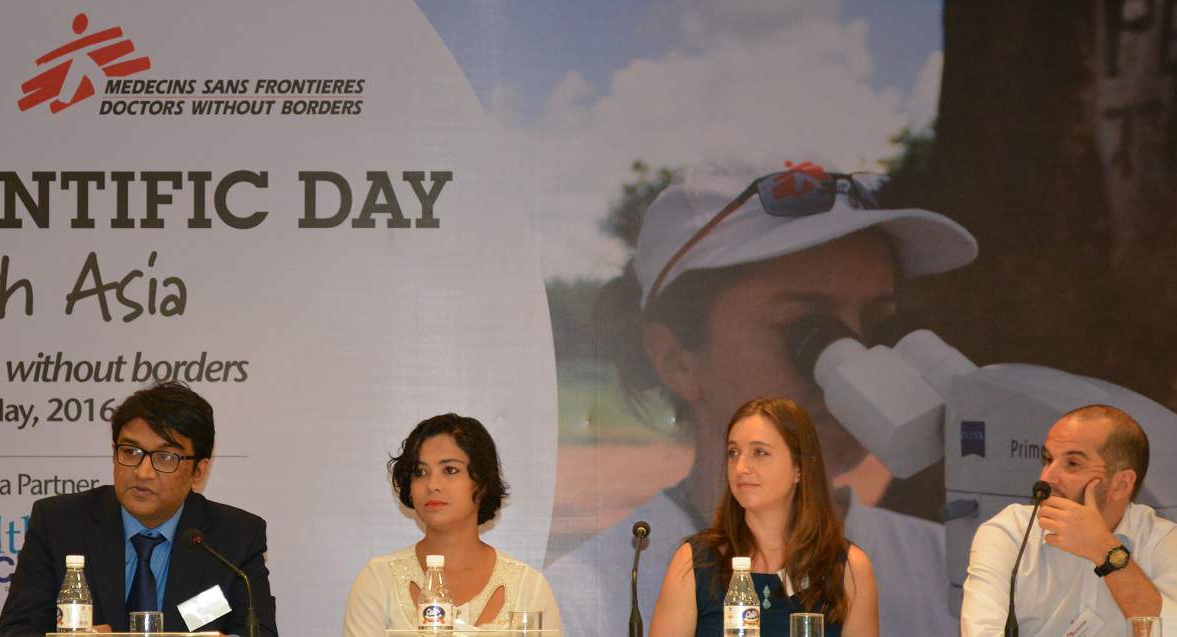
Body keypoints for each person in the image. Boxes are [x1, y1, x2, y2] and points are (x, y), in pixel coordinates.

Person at [547, 153, 977, 635]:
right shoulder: (582, 608)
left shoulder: (962, 579)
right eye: (809, 333)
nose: (860, 363)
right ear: (676, 360)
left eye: (880, 326)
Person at [0, 382, 277, 636]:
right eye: (131, 452)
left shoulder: (235, 538)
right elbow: (15, 630)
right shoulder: (60, 524)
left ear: (198, 471)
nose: (143, 473)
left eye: (165, 457)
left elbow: (257, 632)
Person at [650, 397, 878, 636]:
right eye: (733, 452)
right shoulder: (694, 562)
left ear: (799, 468)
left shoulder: (849, 568)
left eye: (759, 452)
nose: (740, 467)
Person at [960, 404, 1177, 635]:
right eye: (1048, 459)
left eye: (1072, 464)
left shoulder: (1159, 538)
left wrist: (1104, 549)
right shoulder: (1009, 532)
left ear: (1121, 484)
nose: (1047, 478)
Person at [343, 413, 562, 635]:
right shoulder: (379, 581)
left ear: (482, 483)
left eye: (449, 470)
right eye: (420, 472)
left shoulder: (529, 588)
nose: (432, 484)